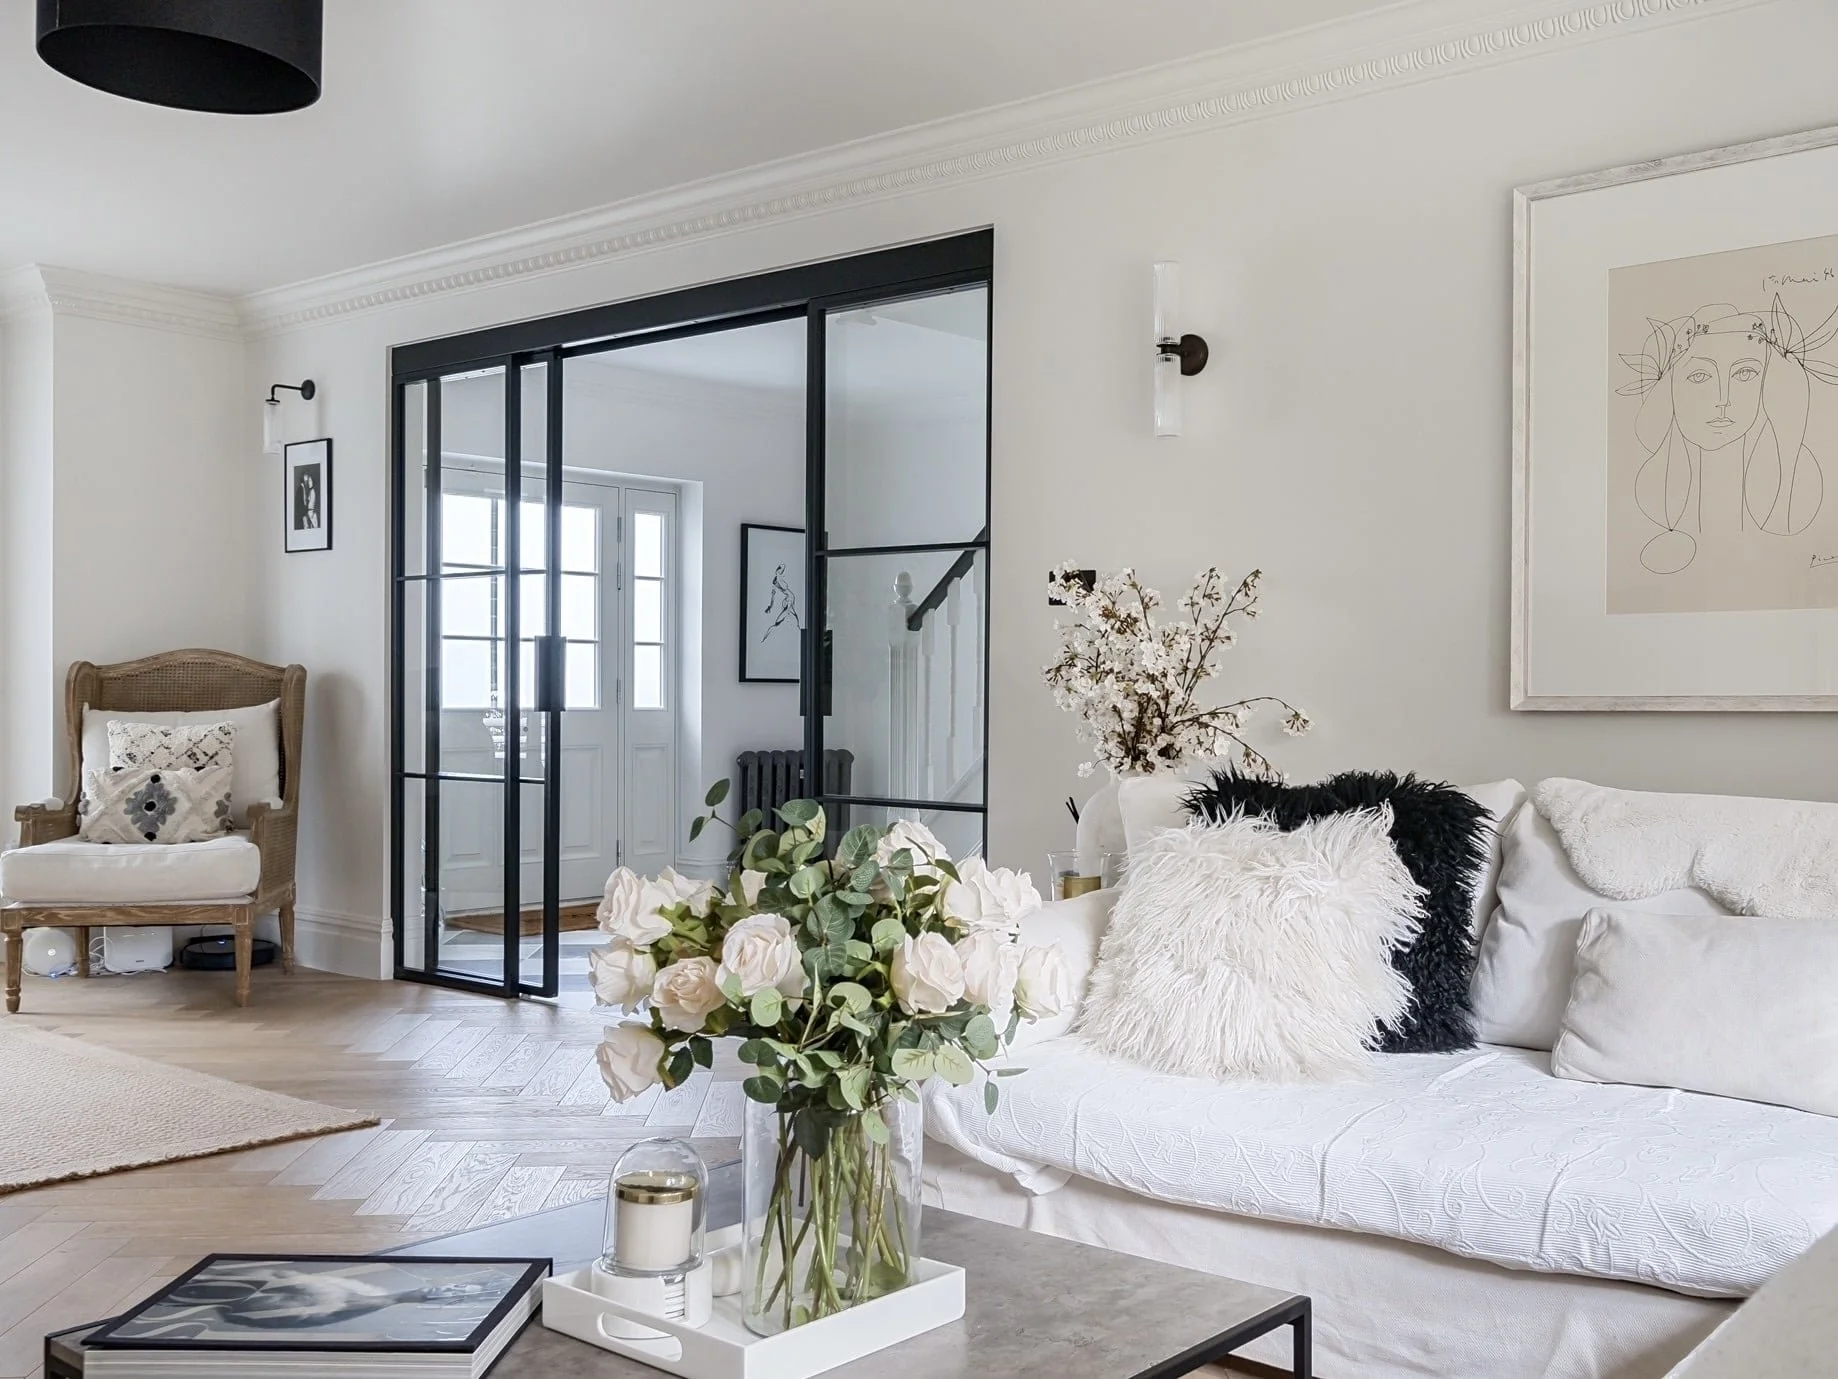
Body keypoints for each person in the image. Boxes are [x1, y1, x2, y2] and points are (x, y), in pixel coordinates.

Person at [1619, 299, 1836, 575]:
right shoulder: (1652, 499)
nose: (1723, 399)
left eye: (1745, 373)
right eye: (1700, 376)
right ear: (1672, 387)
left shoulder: (1797, 494)